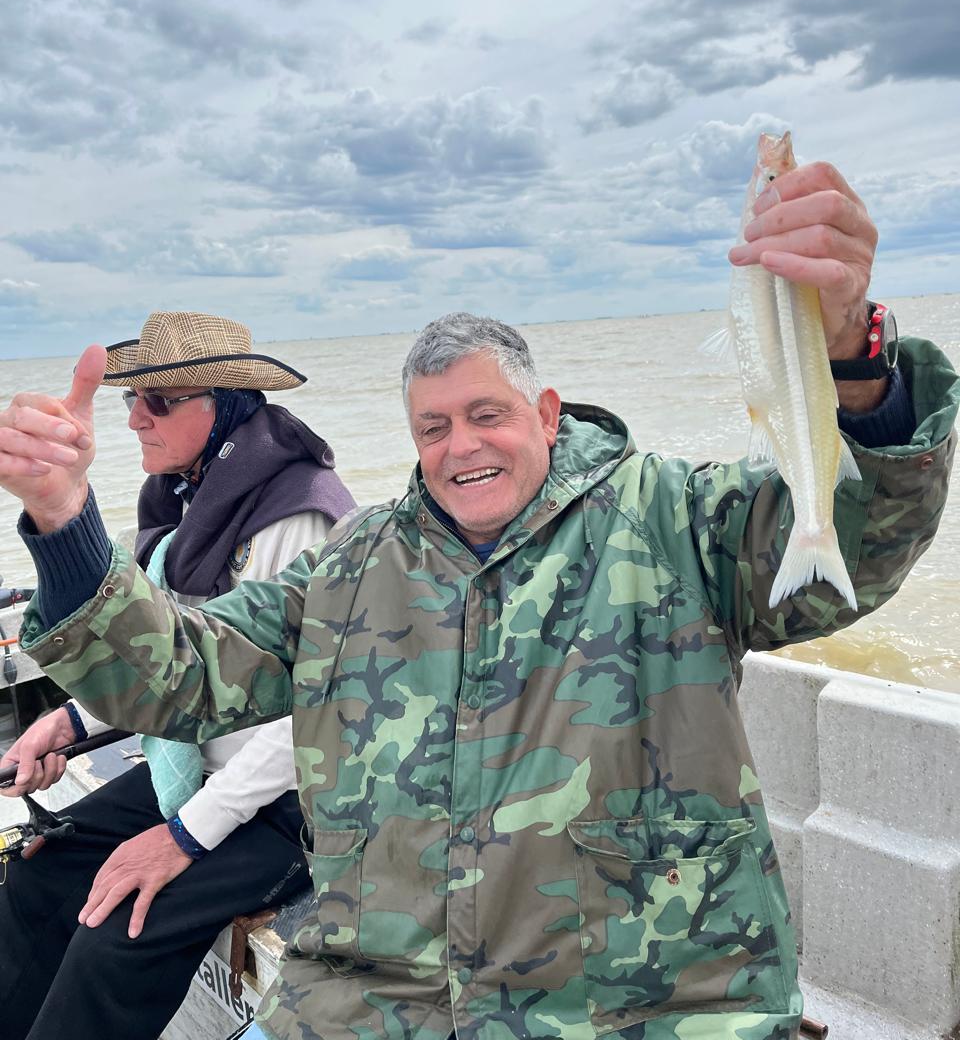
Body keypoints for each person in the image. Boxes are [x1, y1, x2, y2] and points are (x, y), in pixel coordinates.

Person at [0, 167, 957, 1040]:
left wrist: (849, 348)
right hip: (377, 1000)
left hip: (646, 1003)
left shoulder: (674, 519)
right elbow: (178, 675)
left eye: (487, 414)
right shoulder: (352, 566)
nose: (461, 446)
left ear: (546, 413)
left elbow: (852, 549)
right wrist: (66, 518)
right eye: (433, 426)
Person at [0, 311, 355, 1040]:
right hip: (197, 760)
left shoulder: (299, 521)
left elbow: (313, 721)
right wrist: (66, 721)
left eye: (158, 401)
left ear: (223, 406)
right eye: (131, 397)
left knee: (116, 932)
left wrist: (183, 836)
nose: (133, 418)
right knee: (44, 866)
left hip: (287, 801)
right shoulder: (182, 503)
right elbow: (169, 654)